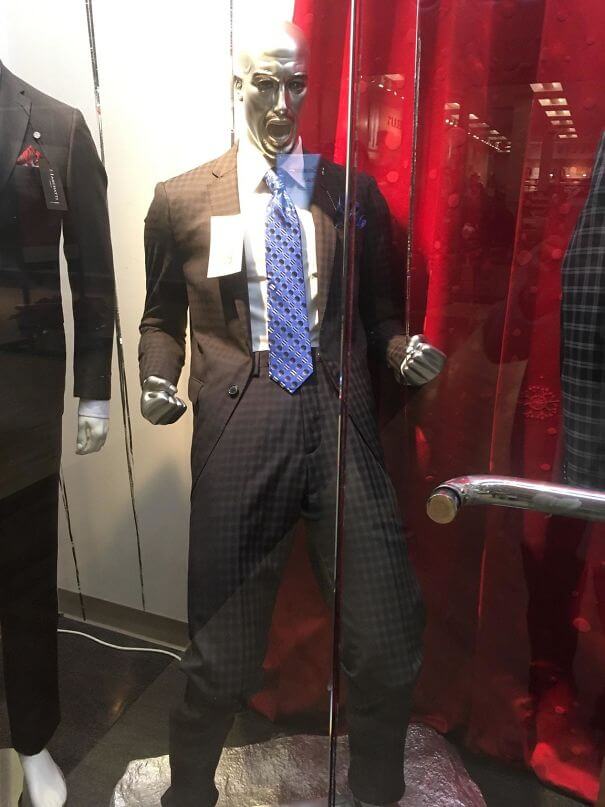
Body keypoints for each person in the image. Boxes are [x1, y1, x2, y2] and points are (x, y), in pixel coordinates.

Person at [138, 21, 445, 807]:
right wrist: (156, 378)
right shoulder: (180, 200)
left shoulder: (348, 193)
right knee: (222, 652)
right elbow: (160, 317)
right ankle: (187, 794)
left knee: (386, 636)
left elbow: (378, 314)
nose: (282, 103)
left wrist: (399, 347)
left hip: (338, 415)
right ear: (237, 86)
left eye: (296, 85)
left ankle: (376, 793)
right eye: (265, 84)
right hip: (242, 416)